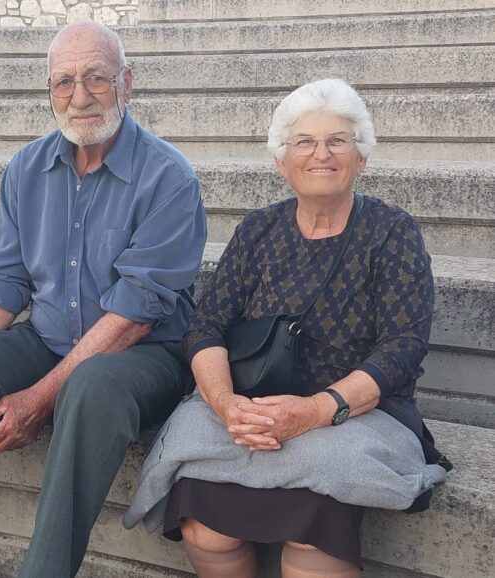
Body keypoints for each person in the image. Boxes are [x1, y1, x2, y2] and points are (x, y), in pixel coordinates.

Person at [0, 21, 207, 578]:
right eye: (63, 81)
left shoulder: (168, 177)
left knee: (91, 387)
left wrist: (39, 398)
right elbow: (0, 284)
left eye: (96, 78)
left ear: (127, 83)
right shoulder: (27, 167)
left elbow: (133, 318)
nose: (80, 96)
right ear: (49, 90)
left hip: (144, 355)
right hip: (49, 338)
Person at [124, 79, 449, 577]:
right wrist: (226, 403)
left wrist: (315, 410)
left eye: (337, 140)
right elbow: (206, 325)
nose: (321, 154)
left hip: (351, 413)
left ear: (361, 157)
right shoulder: (258, 230)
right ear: (281, 161)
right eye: (304, 142)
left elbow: (401, 348)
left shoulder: (392, 231)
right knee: (206, 531)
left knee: (312, 541)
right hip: (253, 405)